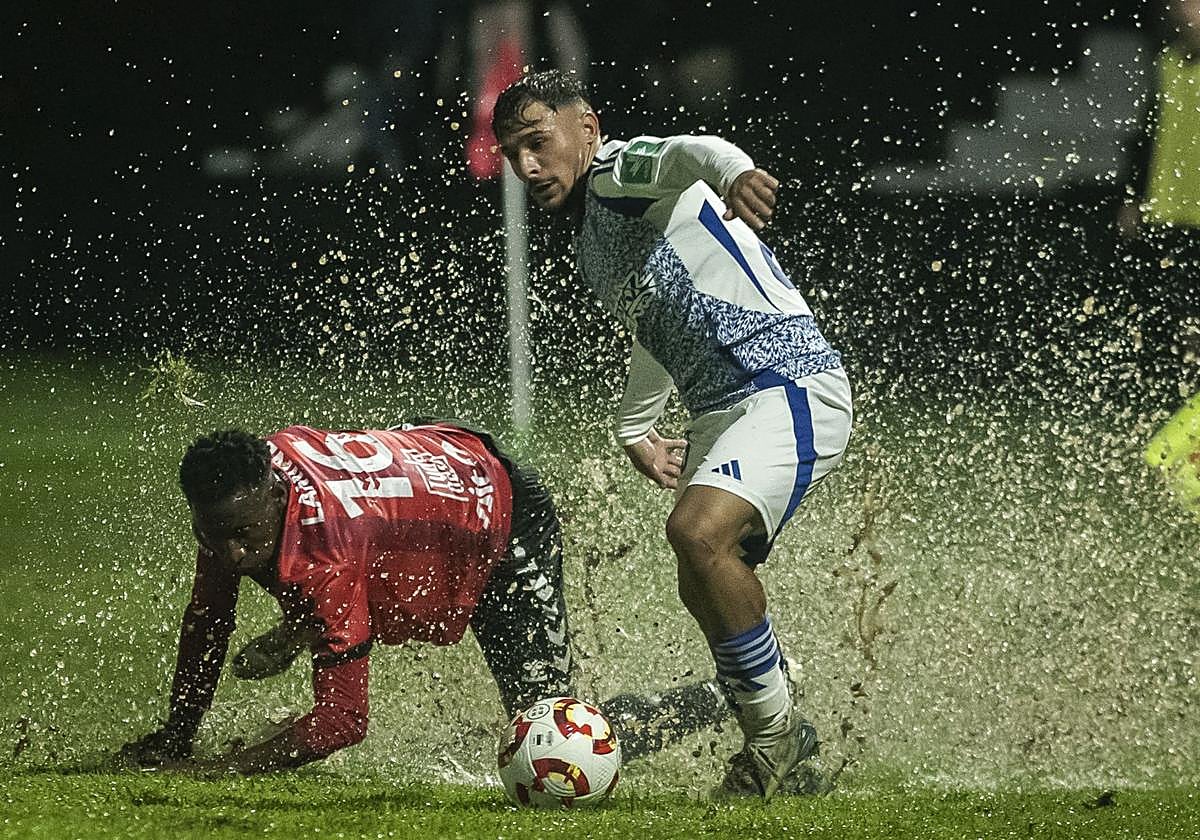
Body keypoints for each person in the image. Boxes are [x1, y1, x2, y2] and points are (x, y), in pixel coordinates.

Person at [491, 71, 853, 800]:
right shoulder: (594, 241)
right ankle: (783, 737)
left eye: (538, 142)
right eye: (512, 153)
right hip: (722, 409)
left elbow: (693, 150)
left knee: (695, 534)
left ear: (585, 129)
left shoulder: (620, 169)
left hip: (788, 384)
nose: (527, 166)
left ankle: (775, 736)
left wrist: (737, 171)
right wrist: (634, 425)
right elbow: (657, 324)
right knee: (698, 575)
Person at [119, 421, 728, 773]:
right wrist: (178, 732)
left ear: (278, 495)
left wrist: (219, 768)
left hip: (501, 519)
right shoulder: (245, 483)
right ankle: (303, 627)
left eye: (242, 539)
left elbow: (342, 723)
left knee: (555, 737)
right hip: (431, 478)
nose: (227, 556)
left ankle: (730, 692)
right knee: (319, 581)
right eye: (210, 536)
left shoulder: (328, 551)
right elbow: (207, 620)